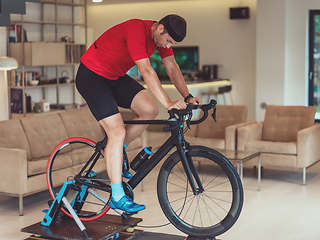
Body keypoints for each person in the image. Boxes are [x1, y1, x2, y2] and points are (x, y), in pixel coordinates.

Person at [76, 14, 201, 214]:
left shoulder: (159, 38)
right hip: (91, 77)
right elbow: (146, 70)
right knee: (116, 131)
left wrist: (187, 96)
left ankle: (117, 151)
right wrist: (168, 102)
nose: (169, 46)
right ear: (160, 29)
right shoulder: (136, 30)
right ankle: (117, 197)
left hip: (113, 77)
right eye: (168, 40)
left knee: (149, 109)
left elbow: (172, 66)